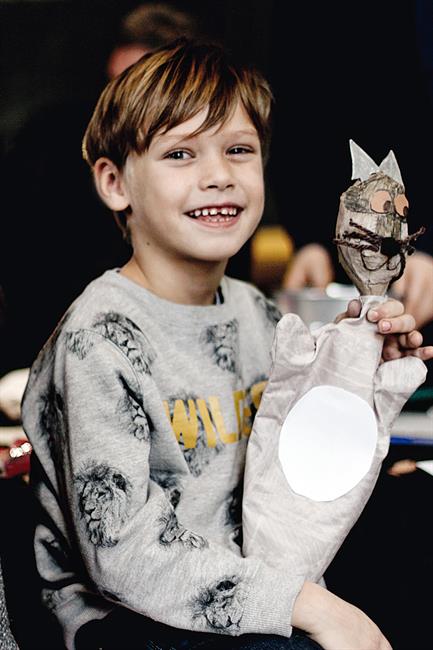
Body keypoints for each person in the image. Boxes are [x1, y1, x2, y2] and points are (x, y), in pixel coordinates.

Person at [21, 39, 432, 650]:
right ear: (114, 183)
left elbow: (292, 470)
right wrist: (307, 606)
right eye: (180, 153)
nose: (219, 176)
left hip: (253, 571)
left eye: (239, 150)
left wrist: (355, 382)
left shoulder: (256, 312)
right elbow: (123, 553)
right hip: (129, 617)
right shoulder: (97, 341)